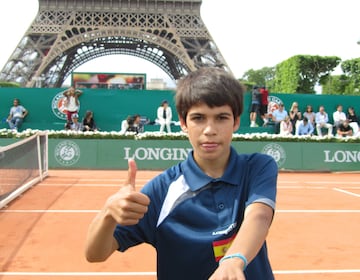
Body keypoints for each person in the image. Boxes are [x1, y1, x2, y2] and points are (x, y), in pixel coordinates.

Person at [85, 67, 278, 280]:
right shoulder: (161, 191)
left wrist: (234, 259)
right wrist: (107, 214)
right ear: (184, 123)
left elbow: (259, 216)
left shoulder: (257, 167)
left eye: (221, 118)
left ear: (236, 122)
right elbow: (95, 254)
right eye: (198, 118)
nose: (210, 130)